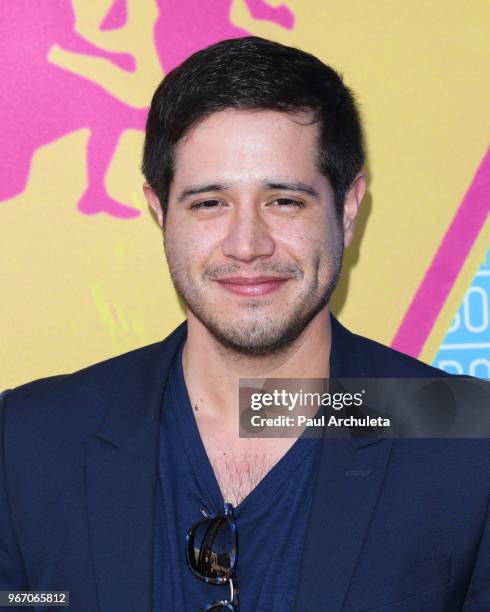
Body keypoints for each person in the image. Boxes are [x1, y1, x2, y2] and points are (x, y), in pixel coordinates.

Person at [0, 36, 488, 612]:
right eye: (209, 203)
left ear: (348, 209)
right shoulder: (29, 441)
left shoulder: (468, 436)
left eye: (284, 201)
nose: (247, 245)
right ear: (161, 214)